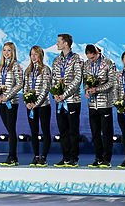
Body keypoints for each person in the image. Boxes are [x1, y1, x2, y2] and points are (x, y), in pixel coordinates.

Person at [51, 33, 84, 167]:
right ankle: (65, 157)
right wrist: (55, 94)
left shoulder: (77, 59)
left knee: (73, 131)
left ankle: (73, 158)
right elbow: (53, 79)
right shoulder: (56, 60)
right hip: (59, 101)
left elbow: (77, 80)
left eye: (59, 42)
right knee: (63, 130)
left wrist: (65, 94)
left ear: (66, 43)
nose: (57, 44)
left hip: (72, 101)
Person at [83, 44, 115, 168]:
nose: (91, 60)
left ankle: (107, 159)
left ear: (98, 53)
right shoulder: (86, 64)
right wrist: (86, 89)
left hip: (105, 103)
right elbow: (85, 80)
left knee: (106, 132)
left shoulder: (108, 62)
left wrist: (97, 89)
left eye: (93, 58)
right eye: (89, 58)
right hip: (92, 104)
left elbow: (112, 82)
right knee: (95, 132)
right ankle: (98, 157)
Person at [0, 42, 24, 166]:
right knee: (8, 128)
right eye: (4, 50)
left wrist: (8, 96)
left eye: (9, 50)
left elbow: (20, 84)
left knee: (11, 129)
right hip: (1, 101)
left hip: (12, 102)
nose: (6, 53)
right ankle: (13, 156)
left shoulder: (16, 66)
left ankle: (12, 156)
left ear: (13, 52)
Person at [22, 45, 53, 166]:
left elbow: (46, 89)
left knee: (45, 131)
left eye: (35, 54)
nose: (33, 57)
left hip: (43, 105)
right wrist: (27, 102)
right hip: (30, 106)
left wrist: (37, 103)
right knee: (33, 131)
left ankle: (44, 156)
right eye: (31, 54)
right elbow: (25, 88)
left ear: (40, 55)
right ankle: (35, 156)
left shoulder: (46, 70)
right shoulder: (28, 70)